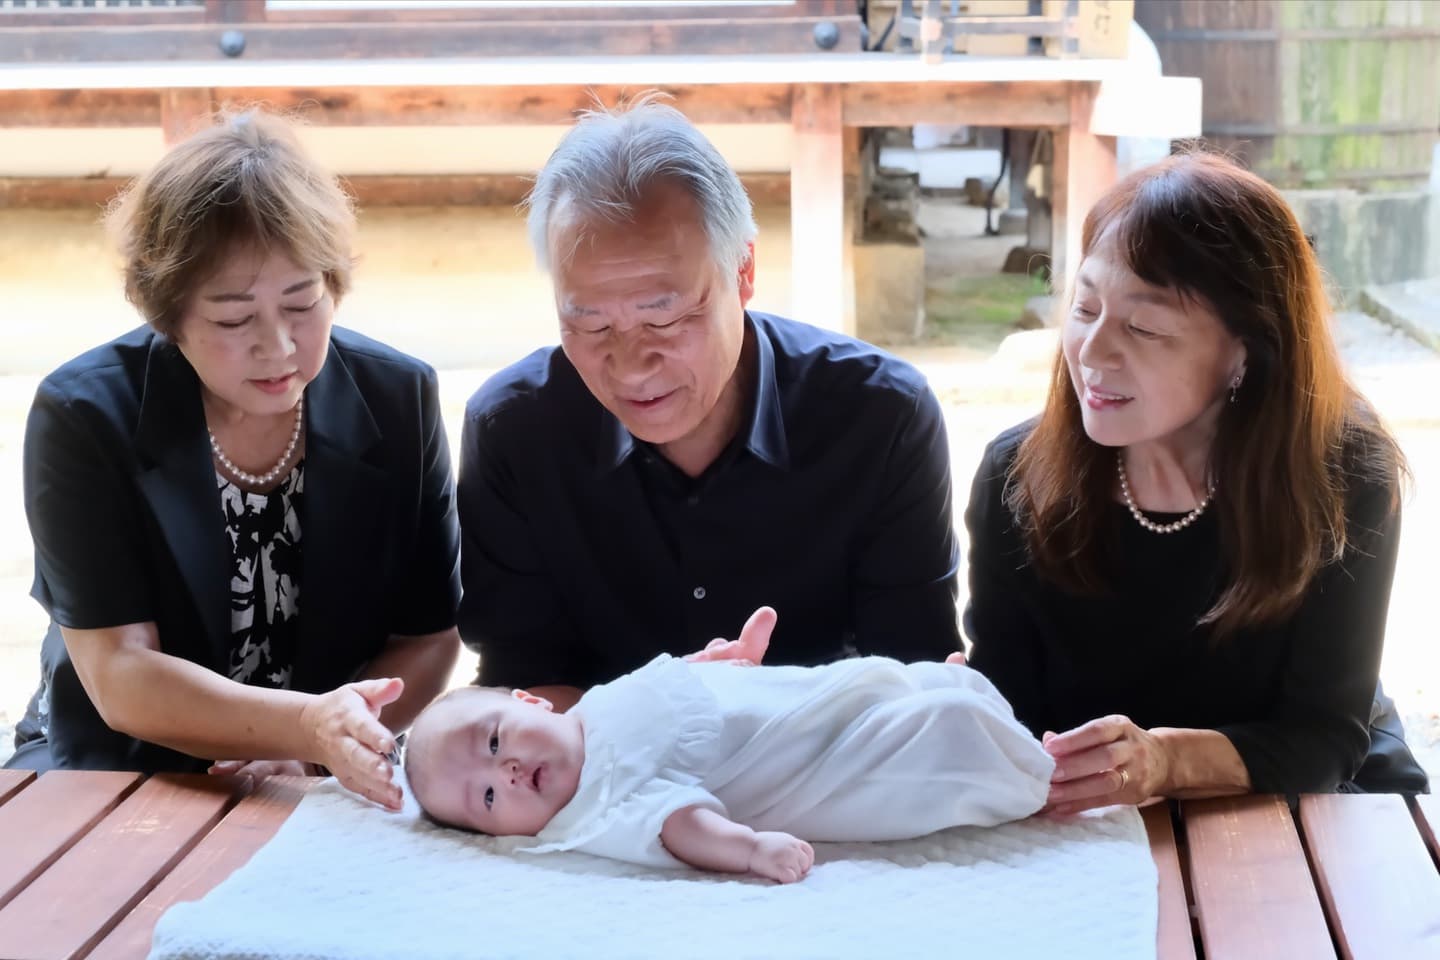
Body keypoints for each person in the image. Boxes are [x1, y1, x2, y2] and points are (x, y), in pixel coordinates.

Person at [6, 109, 462, 811]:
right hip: (121, 770)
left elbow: (430, 636)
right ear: (169, 313)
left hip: (330, 769)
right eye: (233, 318)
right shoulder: (86, 417)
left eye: (302, 303)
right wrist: (307, 727)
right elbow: (119, 672)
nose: (278, 346)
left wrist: (319, 748)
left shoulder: (399, 398)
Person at [962, 151, 1429, 816]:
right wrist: (963, 712)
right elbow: (1010, 704)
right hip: (1099, 822)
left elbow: (1324, 738)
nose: (1091, 353)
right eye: (1085, 306)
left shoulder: (1342, 475)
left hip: (1313, 805)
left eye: (1143, 327)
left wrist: (1166, 762)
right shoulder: (1018, 477)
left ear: (1244, 353)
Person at [458, 96, 961, 708]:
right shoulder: (514, 430)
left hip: (827, 772)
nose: (632, 365)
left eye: (665, 318)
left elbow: (913, 673)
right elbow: (519, 683)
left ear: (743, 270)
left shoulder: (881, 417)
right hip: (593, 779)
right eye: (589, 326)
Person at [402, 621, 1053, 884]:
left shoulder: (593, 708)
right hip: (803, 767)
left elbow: (658, 683)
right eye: (487, 797)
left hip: (794, 699)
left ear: (532, 702)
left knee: (893, 682)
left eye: (493, 741)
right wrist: (749, 850)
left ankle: (946, 691)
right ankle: (1016, 764)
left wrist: (710, 663)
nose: (507, 772)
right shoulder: (596, 809)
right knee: (932, 738)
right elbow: (681, 820)